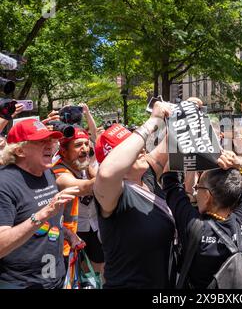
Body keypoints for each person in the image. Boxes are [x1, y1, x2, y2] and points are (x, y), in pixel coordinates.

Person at [93, 102, 174, 289]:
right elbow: (106, 173)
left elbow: (173, 139)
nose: (142, 149)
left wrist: (185, 111)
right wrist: (152, 121)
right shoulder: (112, 194)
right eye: (132, 146)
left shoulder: (146, 175)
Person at [161, 150, 242, 288]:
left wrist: (184, 149)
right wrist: (238, 163)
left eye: (198, 188)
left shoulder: (192, 224)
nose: (196, 192)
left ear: (208, 196)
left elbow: (169, 179)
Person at [0, 119, 79, 288]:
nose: (50, 145)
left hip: (55, 277)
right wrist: (45, 213)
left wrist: (67, 233)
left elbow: (45, 220)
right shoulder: (4, 184)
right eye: (41, 141)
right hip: (21, 283)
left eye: (51, 140)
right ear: (20, 150)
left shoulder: (47, 172)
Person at [52, 127, 103, 272]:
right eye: (78, 145)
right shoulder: (58, 170)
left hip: (93, 226)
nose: (85, 149)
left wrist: (90, 170)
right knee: (74, 272)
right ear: (63, 151)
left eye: (87, 144)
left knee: (98, 268)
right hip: (69, 234)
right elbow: (83, 188)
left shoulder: (84, 166)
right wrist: (113, 173)